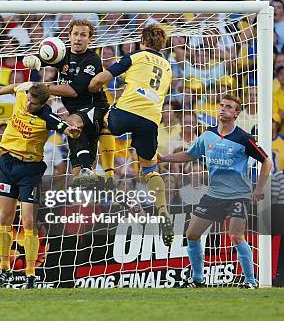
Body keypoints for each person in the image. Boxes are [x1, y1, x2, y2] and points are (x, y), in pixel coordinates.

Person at [159, 95, 271, 288]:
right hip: (213, 195)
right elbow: (189, 154)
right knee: (192, 234)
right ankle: (198, 280)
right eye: (221, 106)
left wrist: (260, 187)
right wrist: (163, 158)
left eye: (229, 107)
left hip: (239, 195)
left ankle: (251, 281)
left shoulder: (244, 138)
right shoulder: (207, 135)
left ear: (236, 113)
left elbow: (266, 161)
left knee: (236, 235)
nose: (223, 109)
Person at [0, 82, 80, 289]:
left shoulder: (47, 117)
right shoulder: (22, 96)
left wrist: (71, 131)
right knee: (4, 218)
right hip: (8, 164)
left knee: (28, 221)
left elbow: (63, 127)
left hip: (29, 171)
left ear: (43, 103)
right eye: (28, 99)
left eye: (33, 103)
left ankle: (30, 274)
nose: (28, 104)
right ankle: (3, 269)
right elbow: (14, 87)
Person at [88, 24, 174, 245]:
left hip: (126, 112)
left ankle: (108, 176)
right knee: (149, 168)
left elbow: (100, 80)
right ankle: (163, 211)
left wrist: (88, 88)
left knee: (102, 122)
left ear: (142, 40)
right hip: (151, 119)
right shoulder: (167, 66)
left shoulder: (134, 56)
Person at [23, 19, 116, 189]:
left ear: (90, 39)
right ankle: (100, 184)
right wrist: (33, 59)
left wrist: (42, 88)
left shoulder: (92, 60)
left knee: (71, 123)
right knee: (78, 178)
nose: (78, 38)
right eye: (75, 34)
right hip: (77, 111)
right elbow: (45, 57)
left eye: (83, 35)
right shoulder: (63, 54)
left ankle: (88, 170)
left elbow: (74, 90)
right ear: (69, 36)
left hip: (96, 107)